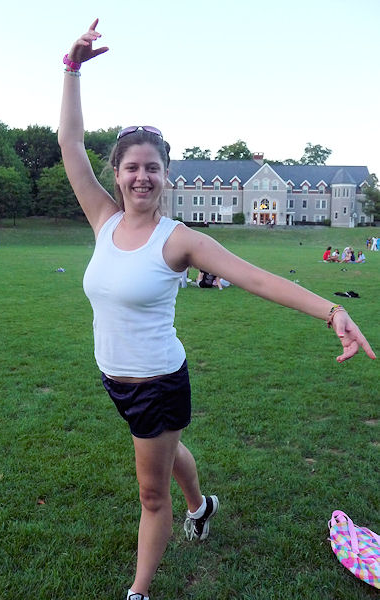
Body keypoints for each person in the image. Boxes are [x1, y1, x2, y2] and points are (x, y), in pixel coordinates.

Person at [58, 20, 376, 600]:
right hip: (113, 377)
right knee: (165, 448)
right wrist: (72, 69)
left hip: (157, 382)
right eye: (132, 167)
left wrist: (332, 311)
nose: (141, 176)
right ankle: (203, 504)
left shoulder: (179, 239)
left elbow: (255, 278)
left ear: (166, 175)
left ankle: (140, 590)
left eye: (153, 167)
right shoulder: (103, 220)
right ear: (118, 174)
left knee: (151, 493)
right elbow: (71, 145)